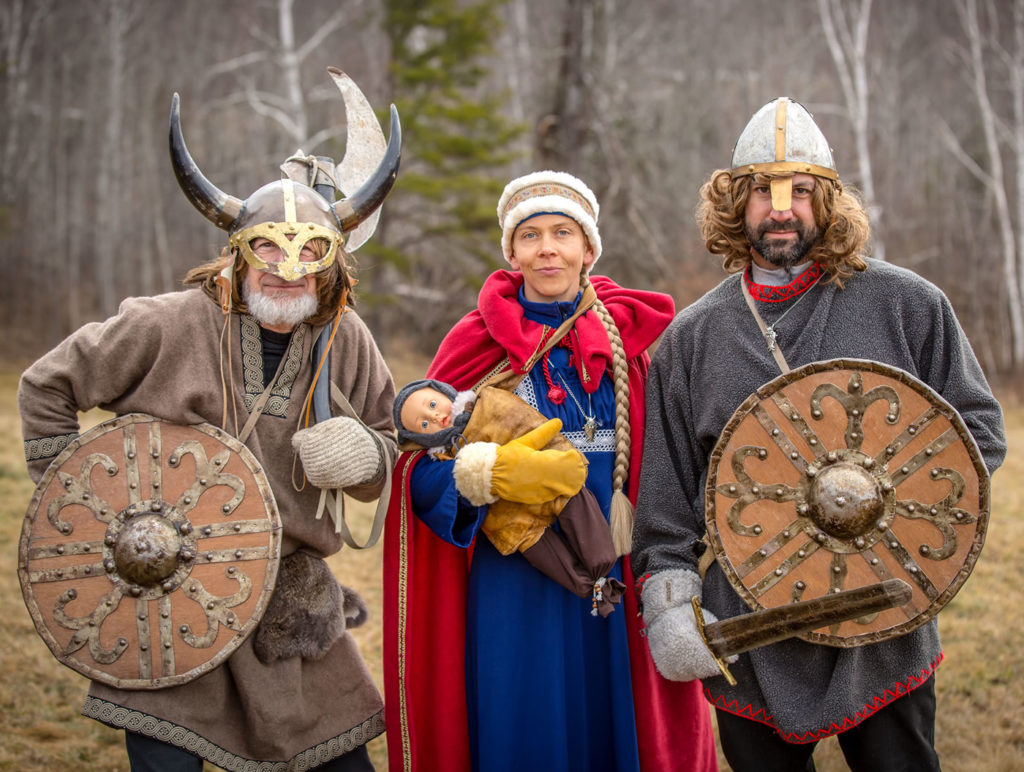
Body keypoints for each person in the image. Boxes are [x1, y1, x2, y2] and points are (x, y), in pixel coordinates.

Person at [18, 76, 402, 770]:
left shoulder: (349, 341)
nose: (286, 273)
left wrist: (369, 458)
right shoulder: (162, 324)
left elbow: (390, 443)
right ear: (237, 250)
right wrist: (77, 502)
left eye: (308, 256)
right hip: (163, 587)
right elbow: (47, 384)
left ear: (331, 263)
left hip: (289, 608)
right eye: (268, 253)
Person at [632, 97, 1007, 771]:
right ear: (734, 204)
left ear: (828, 200)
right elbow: (666, 496)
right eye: (762, 192)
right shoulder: (693, 339)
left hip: (886, 617)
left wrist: (898, 502)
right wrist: (669, 598)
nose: (781, 209)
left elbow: (974, 428)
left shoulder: (907, 304)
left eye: (800, 191)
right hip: (754, 626)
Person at [382, 171, 718, 771]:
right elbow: (419, 471)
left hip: (624, 567)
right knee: (530, 726)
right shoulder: (475, 344)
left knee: (624, 727)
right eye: (530, 235)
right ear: (511, 252)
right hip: (515, 580)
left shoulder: (635, 344)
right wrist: (478, 476)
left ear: (588, 249)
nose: (547, 248)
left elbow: (677, 459)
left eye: (563, 233)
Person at [394, 378, 625, 616]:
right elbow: (440, 486)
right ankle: (593, 587)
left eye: (432, 405)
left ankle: (602, 568)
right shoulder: (445, 458)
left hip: (548, 475)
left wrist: (552, 453)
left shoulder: (490, 402)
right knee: (545, 554)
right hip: (515, 522)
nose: (433, 417)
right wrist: (476, 474)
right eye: (423, 424)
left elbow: (525, 422)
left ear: (443, 391)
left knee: (577, 509)